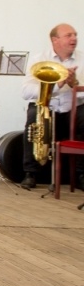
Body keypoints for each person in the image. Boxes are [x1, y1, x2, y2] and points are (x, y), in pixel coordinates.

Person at [20, 23, 84, 189]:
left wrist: (74, 84)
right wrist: (57, 85)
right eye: (69, 35)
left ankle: (81, 174)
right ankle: (30, 173)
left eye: (75, 35)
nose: (74, 38)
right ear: (55, 40)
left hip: (72, 109)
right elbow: (26, 92)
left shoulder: (83, 59)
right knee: (33, 117)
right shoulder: (39, 59)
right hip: (46, 107)